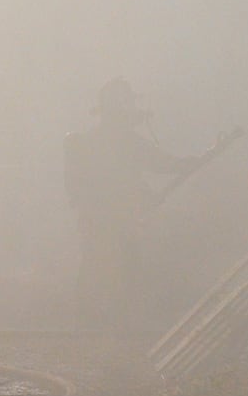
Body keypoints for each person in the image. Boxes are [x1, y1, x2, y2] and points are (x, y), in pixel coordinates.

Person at [65, 78, 201, 329]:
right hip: (108, 216)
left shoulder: (115, 141)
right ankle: (101, 320)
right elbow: (159, 163)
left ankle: (105, 320)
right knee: (110, 264)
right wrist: (184, 166)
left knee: (112, 264)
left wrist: (184, 166)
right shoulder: (117, 142)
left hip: (111, 216)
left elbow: (158, 162)